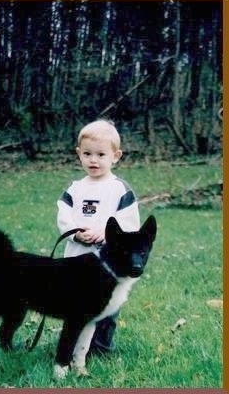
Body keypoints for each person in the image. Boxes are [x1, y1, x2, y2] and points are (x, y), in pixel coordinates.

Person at [57, 119, 140, 354]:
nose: (93, 160)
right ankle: (71, 346)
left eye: (101, 154)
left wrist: (105, 234)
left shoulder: (120, 190)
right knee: (76, 305)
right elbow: (64, 217)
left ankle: (101, 348)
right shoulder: (75, 189)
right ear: (78, 154)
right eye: (87, 154)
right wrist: (75, 233)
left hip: (109, 265)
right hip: (77, 260)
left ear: (116, 156)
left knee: (107, 305)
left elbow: (129, 224)